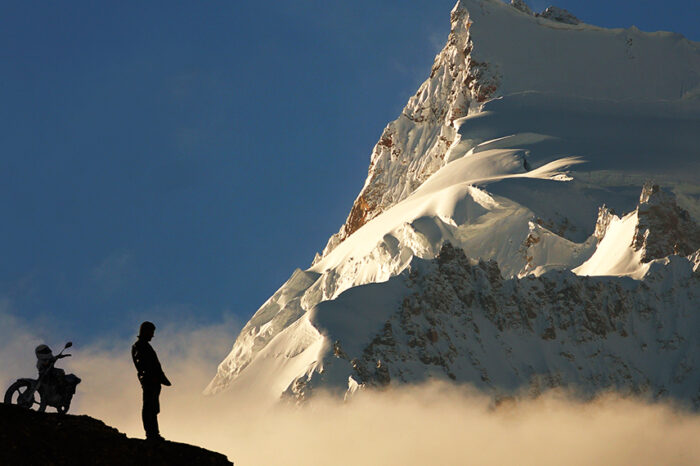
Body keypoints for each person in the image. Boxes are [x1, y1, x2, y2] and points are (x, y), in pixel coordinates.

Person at [131, 321, 171, 441]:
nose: (152, 335)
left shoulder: (143, 346)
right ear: (145, 331)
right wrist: (152, 377)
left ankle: (153, 433)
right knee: (149, 407)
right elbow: (144, 365)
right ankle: (152, 434)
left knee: (153, 407)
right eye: (151, 332)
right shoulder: (140, 346)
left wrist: (161, 378)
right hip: (149, 381)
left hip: (153, 381)